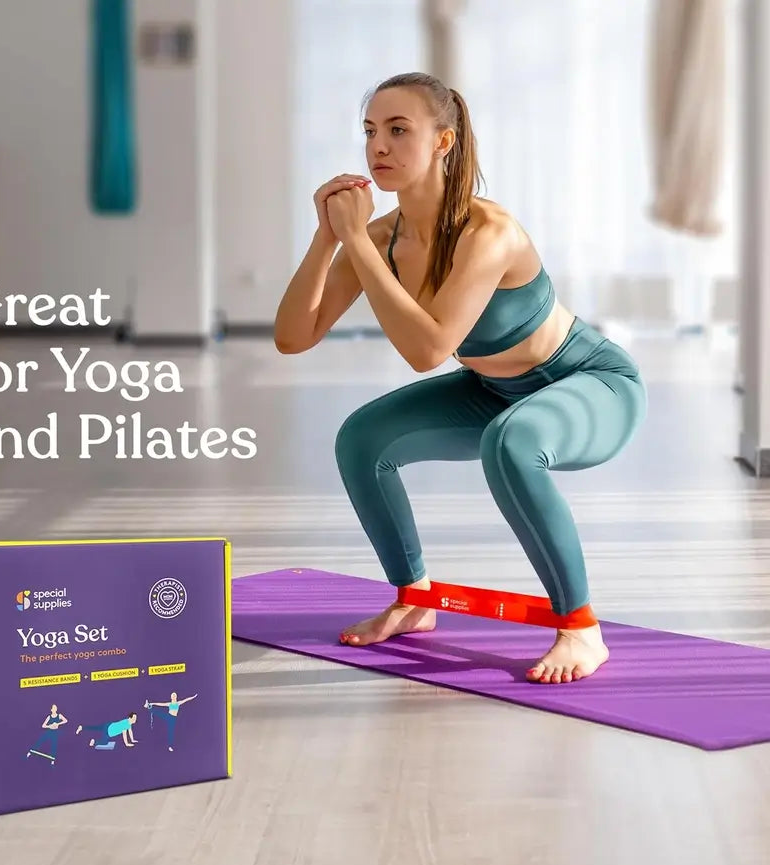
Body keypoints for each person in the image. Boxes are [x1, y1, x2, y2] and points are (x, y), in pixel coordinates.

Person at [273, 72, 647, 684]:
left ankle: (581, 630)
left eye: (399, 130)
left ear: (444, 141)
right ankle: (413, 598)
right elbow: (293, 336)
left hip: (587, 383)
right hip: (494, 390)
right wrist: (325, 236)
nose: (379, 148)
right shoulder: (380, 236)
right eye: (371, 132)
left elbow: (427, 350)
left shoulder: (488, 232)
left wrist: (357, 246)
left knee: (513, 440)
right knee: (362, 439)